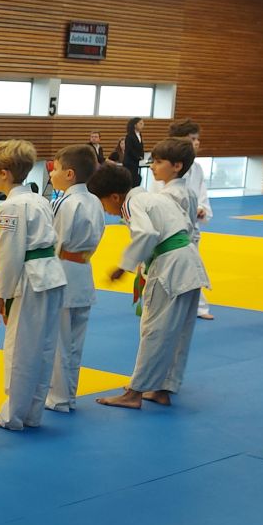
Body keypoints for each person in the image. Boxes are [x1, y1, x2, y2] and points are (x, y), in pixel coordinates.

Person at [90, 159, 208, 409]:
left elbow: (146, 234)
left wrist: (124, 266)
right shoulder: (155, 198)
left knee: (154, 330)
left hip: (170, 268)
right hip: (189, 263)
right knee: (178, 331)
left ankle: (134, 393)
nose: (105, 210)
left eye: (103, 203)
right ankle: (162, 388)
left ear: (114, 197)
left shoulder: (131, 204)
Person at [0, 140, 66, 431]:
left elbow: (9, 254)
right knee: (44, 347)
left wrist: (1, 294)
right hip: (52, 274)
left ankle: (12, 415)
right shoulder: (40, 200)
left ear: (3, 173)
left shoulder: (10, 206)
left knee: (19, 348)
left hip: (30, 278)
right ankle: (32, 413)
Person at [44, 144, 106, 413]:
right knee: (74, 343)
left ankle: (57, 397)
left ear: (69, 174)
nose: (51, 174)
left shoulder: (66, 203)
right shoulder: (95, 201)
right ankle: (68, 394)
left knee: (59, 342)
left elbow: (55, 241)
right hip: (84, 270)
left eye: (56, 169)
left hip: (63, 272)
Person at [166, 119, 214, 319]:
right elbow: (161, 200)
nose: (197, 142)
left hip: (192, 229)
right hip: (171, 230)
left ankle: (199, 307)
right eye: (192, 139)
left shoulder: (197, 168)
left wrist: (201, 209)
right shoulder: (168, 167)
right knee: (173, 270)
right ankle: (171, 304)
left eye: (197, 139)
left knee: (193, 266)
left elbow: (202, 194)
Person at [122, 117, 145, 187]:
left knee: (135, 179)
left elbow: (140, 147)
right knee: (130, 180)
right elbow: (129, 149)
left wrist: (142, 156)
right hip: (129, 162)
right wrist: (138, 157)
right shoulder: (129, 136)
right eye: (140, 123)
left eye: (143, 124)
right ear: (135, 125)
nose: (142, 125)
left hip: (135, 161)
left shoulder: (140, 135)